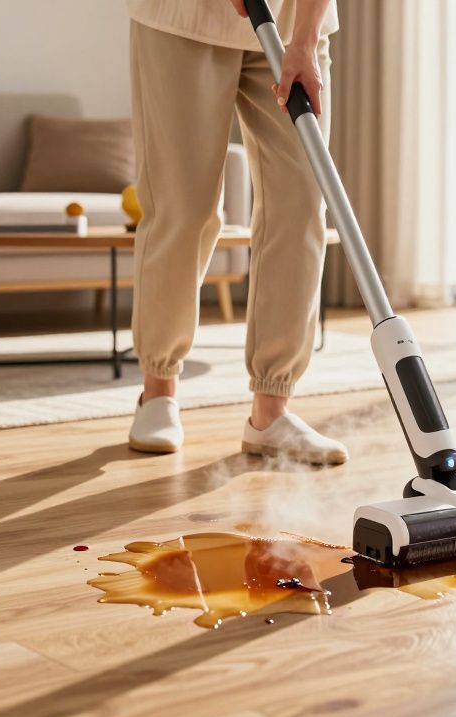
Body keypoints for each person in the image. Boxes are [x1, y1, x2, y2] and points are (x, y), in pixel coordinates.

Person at [124, 0, 346, 464]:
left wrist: (304, 40)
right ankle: (158, 390)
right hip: (185, 19)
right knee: (183, 206)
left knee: (303, 201)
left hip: (291, 26)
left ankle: (271, 410)